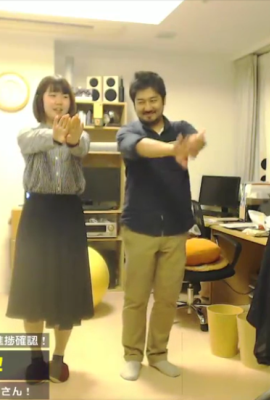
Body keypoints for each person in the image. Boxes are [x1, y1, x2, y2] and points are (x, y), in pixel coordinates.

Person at [116, 71, 207, 381]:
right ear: (134, 104)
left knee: (167, 299)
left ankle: (158, 355)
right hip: (140, 227)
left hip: (176, 229)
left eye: (153, 100)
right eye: (141, 102)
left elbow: (193, 142)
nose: (148, 106)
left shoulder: (180, 128)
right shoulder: (128, 132)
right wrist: (172, 150)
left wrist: (194, 143)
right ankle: (132, 356)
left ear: (163, 100)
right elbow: (141, 147)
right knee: (136, 299)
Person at [6, 75, 94, 384]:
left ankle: (58, 358)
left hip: (68, 214)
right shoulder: (28, 133)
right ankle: (36, 360)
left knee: (66, 291)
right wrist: (56, 137)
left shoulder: (81, 134)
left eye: (65, 96)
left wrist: (71, 139)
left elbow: (81, 147)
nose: (59, 101)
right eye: (52, 95)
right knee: (33, 287)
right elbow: (31, 142)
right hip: (38, 213)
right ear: (41, 100)